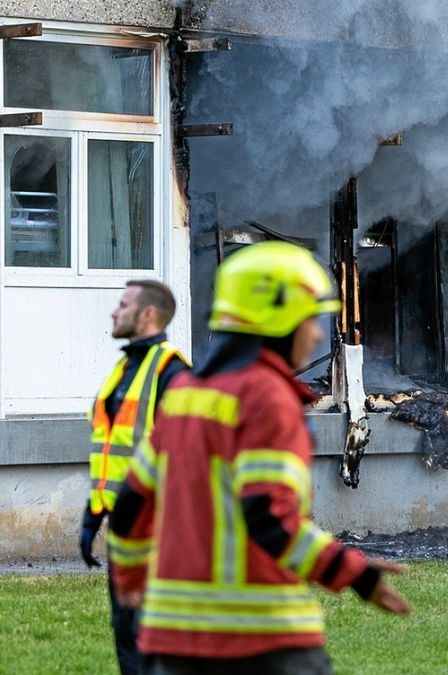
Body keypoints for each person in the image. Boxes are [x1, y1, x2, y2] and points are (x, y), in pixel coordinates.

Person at [108, 241, 410, 674]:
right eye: (312, 317)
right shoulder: (267, 398)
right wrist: (352, 572)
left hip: (170, 645)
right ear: (278, 317)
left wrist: (132, 582)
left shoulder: (183, 397)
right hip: (262, 646)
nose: (319, 333)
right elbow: (267, 516)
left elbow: (129, 508)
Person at [81, 279, 188, 675]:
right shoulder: (125, 369)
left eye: (122, 305)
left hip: (160, 532)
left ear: (147, 314)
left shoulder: (173, 374)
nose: (113, 311)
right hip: (125, 528)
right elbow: (111, 450)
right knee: (127, 633)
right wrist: (94, 515)